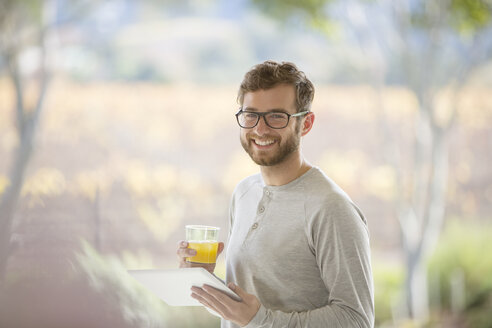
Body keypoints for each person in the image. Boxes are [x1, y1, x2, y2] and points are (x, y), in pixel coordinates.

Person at [177, 60, 374, 327]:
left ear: (305, 124)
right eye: (251, 115)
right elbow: (247, 311)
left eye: (276, 116)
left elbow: (356, 320)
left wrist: (261, 319)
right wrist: (204, 282)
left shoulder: (330, 207)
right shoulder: (243, 193)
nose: (260, 129)